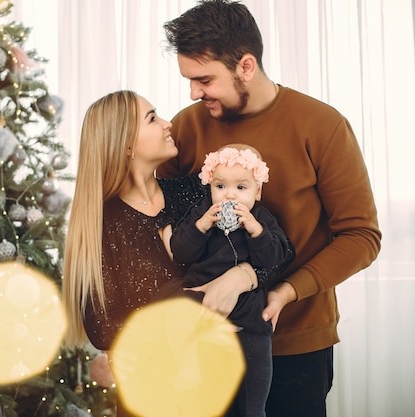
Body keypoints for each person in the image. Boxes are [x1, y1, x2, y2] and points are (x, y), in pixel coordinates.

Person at [159, 2, 382, 416]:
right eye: (189, 80)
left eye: (204, 79)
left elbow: (361, 236)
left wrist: (282, 291)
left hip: (295, 345)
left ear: (246, 66)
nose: (193, 93)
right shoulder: (187, 126)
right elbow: (163, 222)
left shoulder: (322, 125)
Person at [62, 90, 294, 417]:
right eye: (152, 118)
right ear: (126, 145)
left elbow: (274, 251)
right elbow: (102, 326)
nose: (168, 124)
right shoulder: (103, 221)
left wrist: (243, 277)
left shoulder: (195, 194)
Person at [169, 144, 289, 417]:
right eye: (220, 186)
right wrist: (200, 226)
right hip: (201, 297)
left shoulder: (261, 219)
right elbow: (180, 252)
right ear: (210, 186)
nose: (229, 195)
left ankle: (254, 408)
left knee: (257, 345)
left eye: (241, 188)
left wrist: (256, 231)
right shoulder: (201, 213)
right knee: (179, 308)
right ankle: (188, 368)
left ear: (257, 191)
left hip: (246, 308)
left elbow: (275, 258)